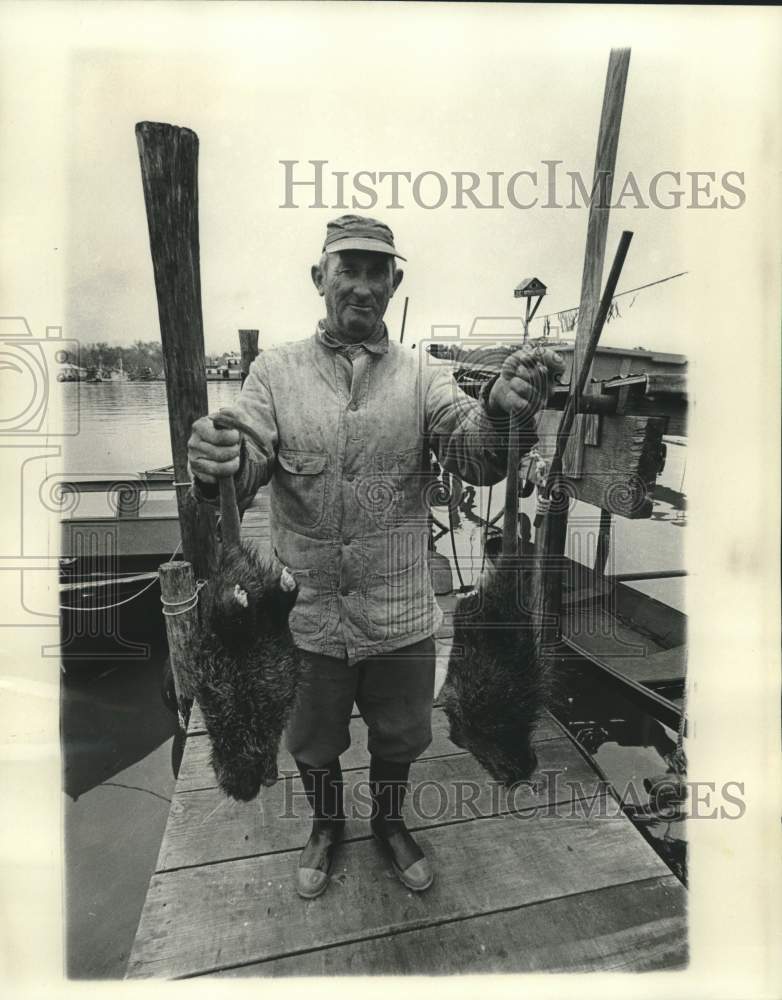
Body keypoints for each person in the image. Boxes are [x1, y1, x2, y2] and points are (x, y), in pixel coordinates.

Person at [187, 214, 564, 899]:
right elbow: (245, 465)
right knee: (312, 740)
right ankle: (327, 826)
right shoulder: (274, 373)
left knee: (400, 736)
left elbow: (476, 456)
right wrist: (220, 459)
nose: (361, 286)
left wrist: (506, 408)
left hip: (400, 614)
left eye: (376, 272)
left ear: (394, 282)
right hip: (306, 616)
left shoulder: (425, 375)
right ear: (319, 277)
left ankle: (389, 822)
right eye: (347, 269)